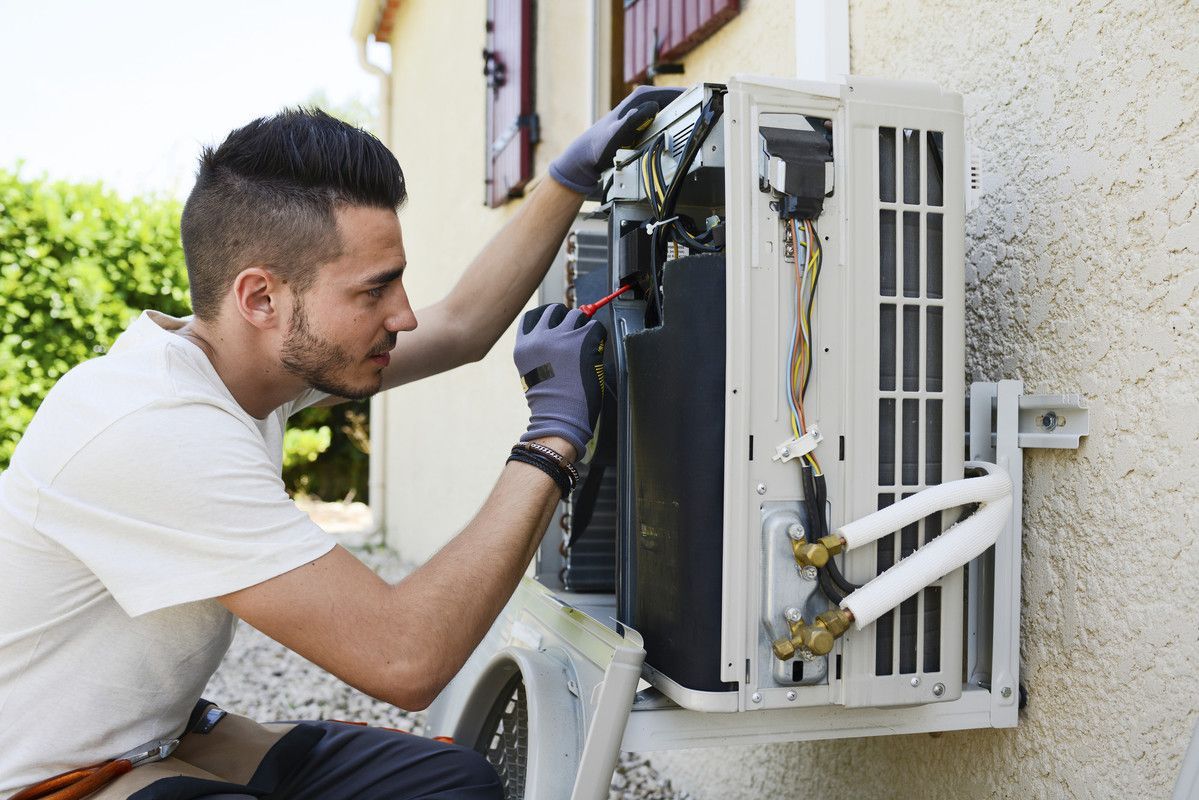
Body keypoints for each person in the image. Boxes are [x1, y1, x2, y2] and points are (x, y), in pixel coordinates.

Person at [0, 86, 681, 799]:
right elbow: (406, 659)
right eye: (373, 291)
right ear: (261, 298)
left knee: (449, 784)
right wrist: (551, 439)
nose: (405, 315)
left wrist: (565, 180)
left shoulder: (241, 367)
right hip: (52, 780)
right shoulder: (155, 428)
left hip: (154, 736)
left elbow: (463, 326)